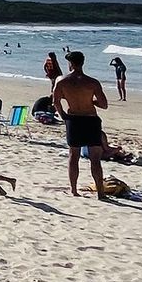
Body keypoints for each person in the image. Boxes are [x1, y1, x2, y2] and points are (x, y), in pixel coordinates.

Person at [52, 50, 111, 199]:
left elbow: (55, 101)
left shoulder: (62, 81)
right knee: (95, 159)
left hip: (74, 119)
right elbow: (104, 105)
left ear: (70, 64)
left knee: (74, 156)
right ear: (83, 63)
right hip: (90, 119)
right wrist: (90, 101)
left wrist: (63, 115)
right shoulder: (92, 82)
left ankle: (73, 190)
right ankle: (101, 193)